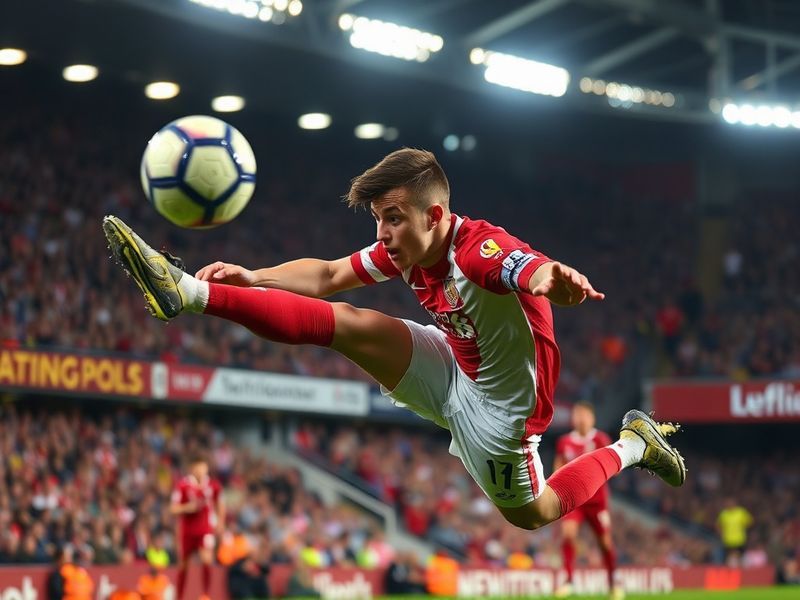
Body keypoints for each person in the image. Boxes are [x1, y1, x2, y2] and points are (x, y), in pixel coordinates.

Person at [104, 148, 686, 533]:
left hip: (502, 414)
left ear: (435, 215)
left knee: (534, 513)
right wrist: (254, 275)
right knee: (349, 322)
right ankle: (184, 290)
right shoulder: (404, 246)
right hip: (454, 362)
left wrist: (553, 280)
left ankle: (636, 444)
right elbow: (329, 275)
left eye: (393, 218)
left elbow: (524, 268)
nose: (383, 234)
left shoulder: (476, 252)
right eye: (379, 219)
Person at [553, 401, 623, 600]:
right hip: (574, 501)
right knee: (568, 534)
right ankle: (568, 580)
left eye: (584, 415)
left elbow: (614, 467)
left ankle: (613, 582)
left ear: (592, 418)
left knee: (605, 543)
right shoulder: (564, 442)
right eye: (577, 415)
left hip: (597, 502)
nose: (580, 419)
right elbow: (557, 467)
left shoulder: (600, 439)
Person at [170, 456, 224, 600]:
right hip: (187, 531)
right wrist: (188, 507)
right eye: (198, 467)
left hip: (205, 530)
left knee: (207, 559)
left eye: (203, 467)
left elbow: (220, 504)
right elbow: (173, 509)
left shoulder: (213, 485)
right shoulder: (182, 485)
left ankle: (205, 595)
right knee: (183, 565)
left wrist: (220, 522)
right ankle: (179, 596)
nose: (201, 470)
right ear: (192, 468)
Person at [717, 497, 753, 566]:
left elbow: (749, 522)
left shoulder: (741, 512)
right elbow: (718, 525)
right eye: (728, 503)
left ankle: (741, 572)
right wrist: (721, 533)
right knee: (729, 558)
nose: (729, 504)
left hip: (739, 539)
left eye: (731, 502)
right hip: (728, 540)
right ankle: (730, 573)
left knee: (740, 557)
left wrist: (743, 529)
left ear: (735, 503)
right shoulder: (724, 514)